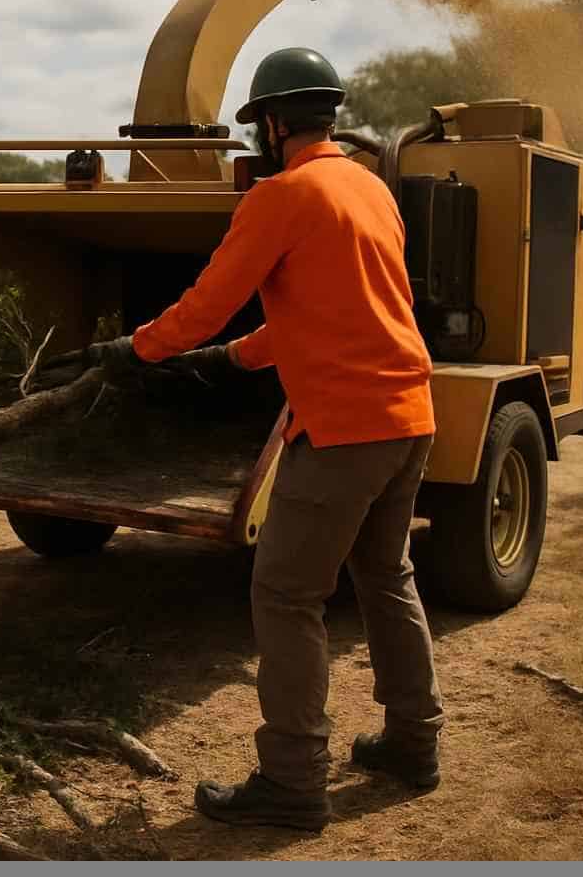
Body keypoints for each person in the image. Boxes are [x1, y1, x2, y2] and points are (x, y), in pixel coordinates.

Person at [38, 47, 445, 831]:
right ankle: (412, 742)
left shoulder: (280, 196)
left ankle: (293, 780)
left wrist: (136, 351)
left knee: (287, 595)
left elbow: (207, 301)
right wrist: (227, 362)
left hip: (344, 429)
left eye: (257, 122)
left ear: (275, 121)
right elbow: (334, 309)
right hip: (410, 417)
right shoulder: (370, 189)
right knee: (386, 576)